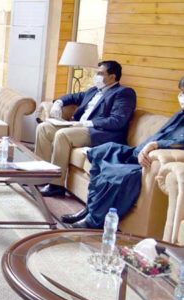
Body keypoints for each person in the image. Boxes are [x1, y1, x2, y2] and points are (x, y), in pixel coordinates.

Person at [62, 77, 184, 228]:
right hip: (137, 152)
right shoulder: (180, 114)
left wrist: (155, 144)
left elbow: (178, 141)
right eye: (181, 92)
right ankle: (90, 208)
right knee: (102, 151)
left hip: (148, 160)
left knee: (116, 174)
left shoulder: (124, 93)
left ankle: (93, 219)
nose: (181, 97)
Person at [36, 60, 137, 197]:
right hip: (78, 127)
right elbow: (73, 96)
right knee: (43, 128)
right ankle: (39, 175)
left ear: (112, 77)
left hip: (99, 133)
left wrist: (87, 123)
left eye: (100, 73)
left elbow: (117, 121)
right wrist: (58, 103)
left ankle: (56, 185)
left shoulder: (123, 93)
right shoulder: (94, 90)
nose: (96, 76)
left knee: (62, 135)